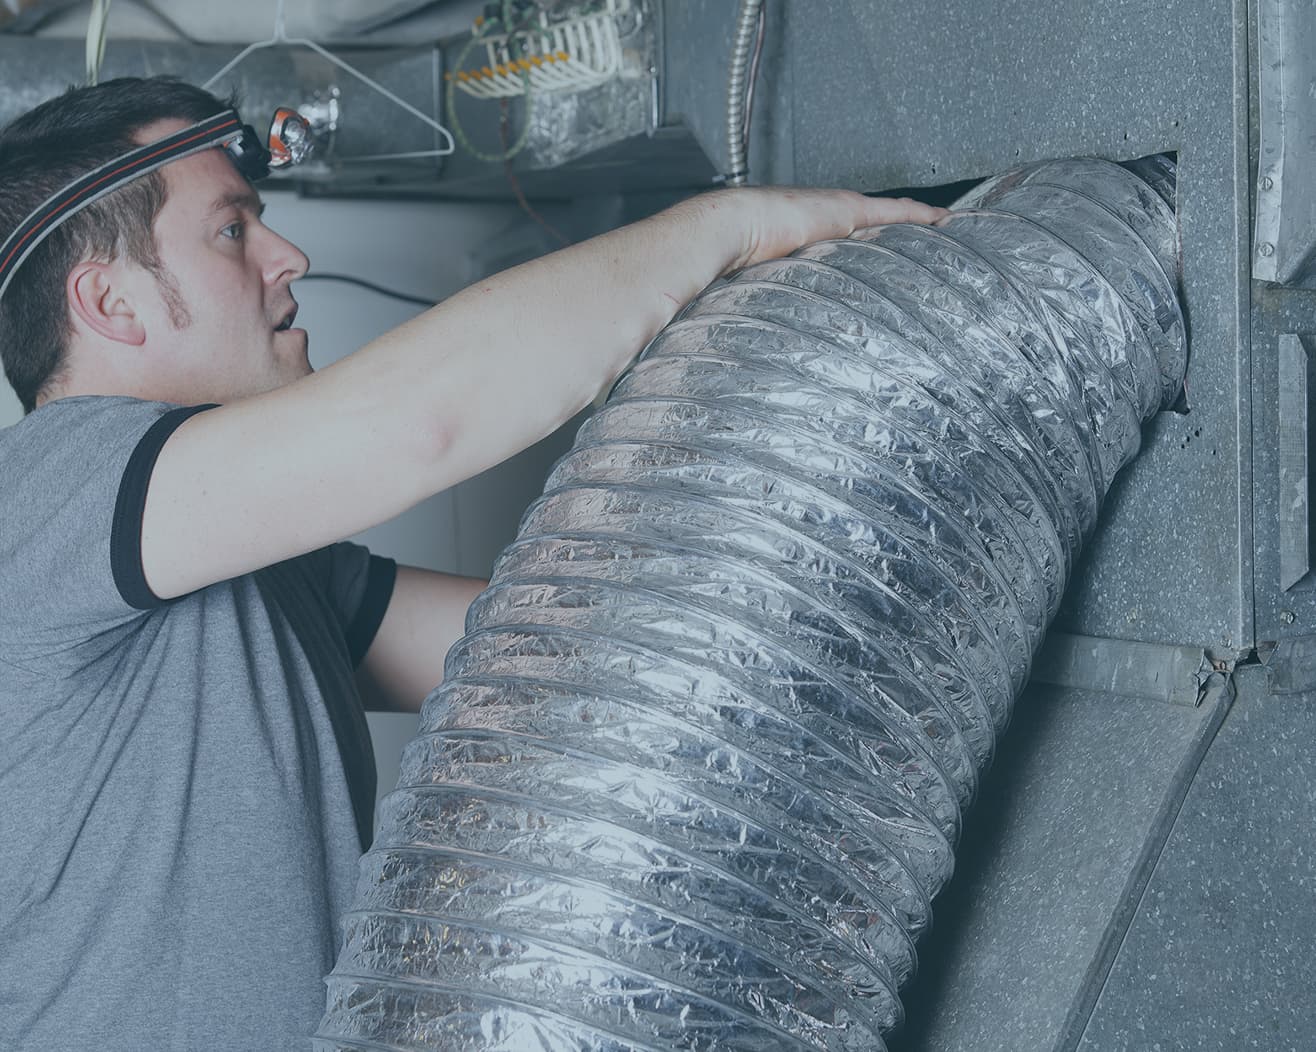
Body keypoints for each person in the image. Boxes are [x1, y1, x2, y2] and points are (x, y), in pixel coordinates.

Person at [0, 75, 943, 1050]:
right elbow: (416, 423)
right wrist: (730, 229)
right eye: (233, 230)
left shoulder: (249, 563)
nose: (289, 256)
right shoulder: (42, 491)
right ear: (109, 299)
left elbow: (551, 657)